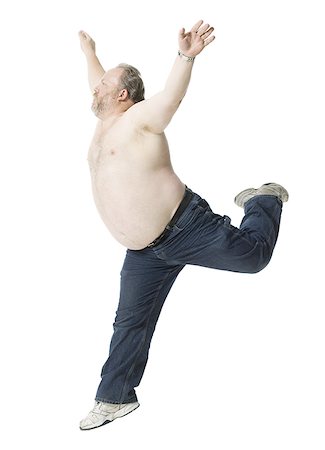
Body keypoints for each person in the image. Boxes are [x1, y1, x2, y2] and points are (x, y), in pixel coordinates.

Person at [78, 20, 288, 431]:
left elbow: (170, 100)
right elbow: (96, 80)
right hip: (144, 251)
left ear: (122, 94)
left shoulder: (140, 118)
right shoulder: (105, 123)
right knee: (129, 321)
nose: (94, 87)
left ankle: (263, 200)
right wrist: (89, 53)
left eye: (103, 83)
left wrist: (185, 57)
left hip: (185, 228)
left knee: (254, 258)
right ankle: (115, 398)